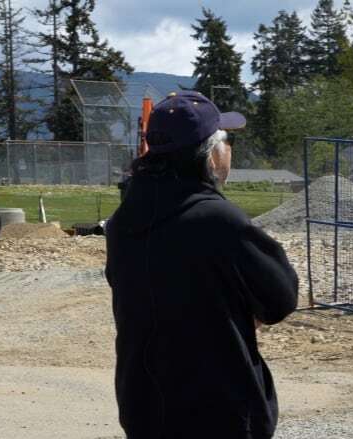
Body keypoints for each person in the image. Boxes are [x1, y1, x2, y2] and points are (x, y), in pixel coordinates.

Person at [105, 90, 299, 439]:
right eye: (224, 141)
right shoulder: (218, 220)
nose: (229, 151)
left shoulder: (122, 223)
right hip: (219, 412)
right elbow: (280, 299)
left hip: (144, 407)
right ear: (209, 155)